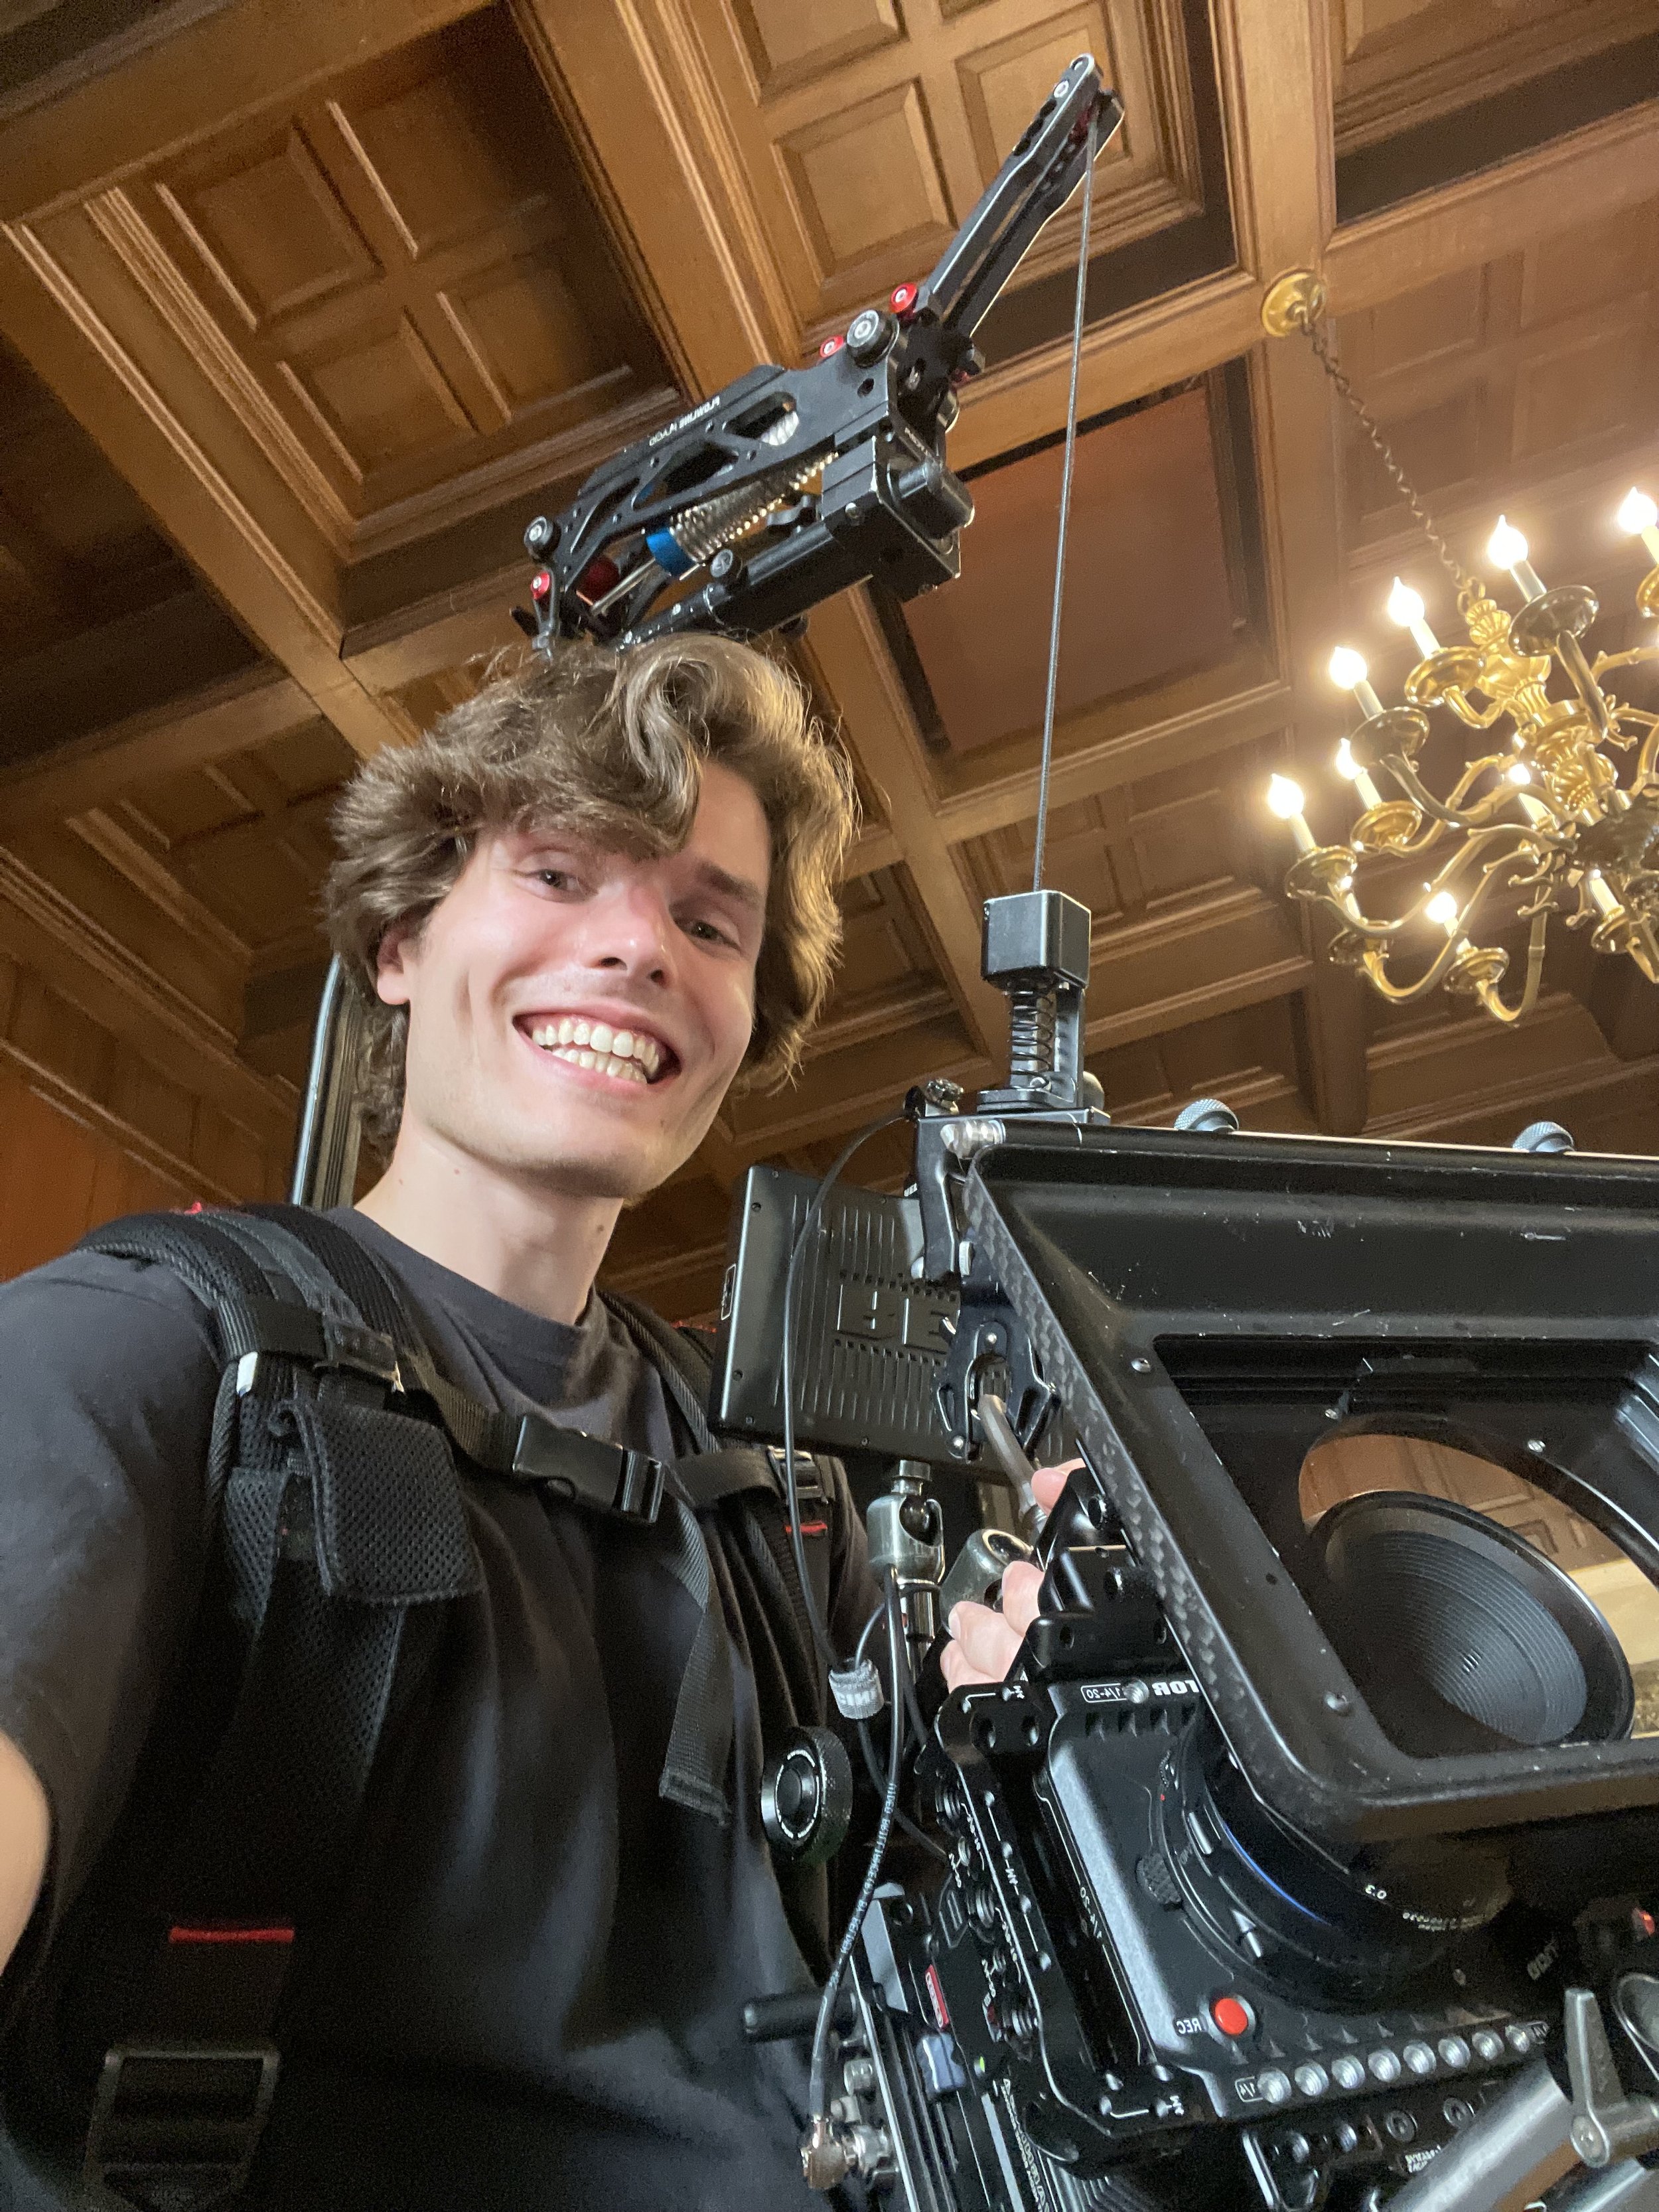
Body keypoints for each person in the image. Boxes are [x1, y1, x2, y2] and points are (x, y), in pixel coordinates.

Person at [0, 634, 1058, 2212]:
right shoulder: (146, 1344)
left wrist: (1027, 1731)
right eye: (560, 872)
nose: (638, 944)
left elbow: (935, 1943)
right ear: (399, 940)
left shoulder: (781, 1486)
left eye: (709, 920)